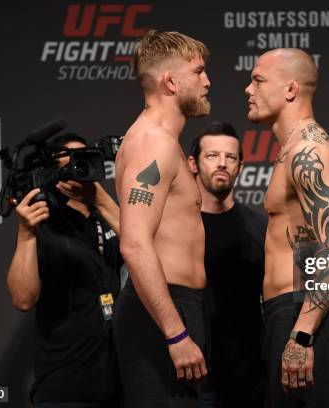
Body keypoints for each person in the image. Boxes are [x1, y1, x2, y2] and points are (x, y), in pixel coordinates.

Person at [245, 48, 329, 407]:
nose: (248, 89)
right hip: (292, 312)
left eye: (258, 80)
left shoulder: (311, 151)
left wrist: (303, 335)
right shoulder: (293, 149)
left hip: (308, 317)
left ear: (290, 89)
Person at [113, 30, 211, 408]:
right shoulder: (151, 141)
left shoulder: (157, 141)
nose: (208, 81)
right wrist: (174, 334)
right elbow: (135, 243)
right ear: (170, 81)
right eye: (199, 71)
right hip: (160, 313)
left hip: (174, 307)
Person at [6, 133, 122, 407]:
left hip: (119, 388)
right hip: (63, 390)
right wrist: (25, 235)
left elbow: (146, 251)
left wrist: (102, 201)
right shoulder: (43, 223)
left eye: (83, 159)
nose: (76, 167)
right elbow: (23, 299)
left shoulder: (107, 217)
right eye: (68, 161)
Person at [187, 121, 267, 407]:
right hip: (192, 378)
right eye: (212, 156)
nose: (222, 164)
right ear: (193, 164)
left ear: (240, 166)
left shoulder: (260, 228)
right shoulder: (176, 229)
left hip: (250, 379)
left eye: (230, 157)